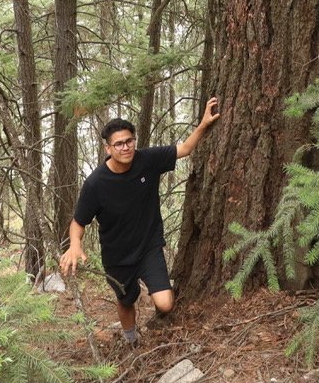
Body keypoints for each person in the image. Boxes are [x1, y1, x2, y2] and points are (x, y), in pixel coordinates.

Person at [58, 97, 220, 346]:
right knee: (126, 300)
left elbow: (185, 149)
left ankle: (154, 297)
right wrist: (75, 245)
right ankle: (130, 339)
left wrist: (204, 123)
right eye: (119, 144)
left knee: (165, 303)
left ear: (135, 140)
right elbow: (78, 222)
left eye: (129, 141)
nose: (125, 148)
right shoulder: (96, 184)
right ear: (108, 148)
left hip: (149, 247)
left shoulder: (148, 160)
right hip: (117, 256)